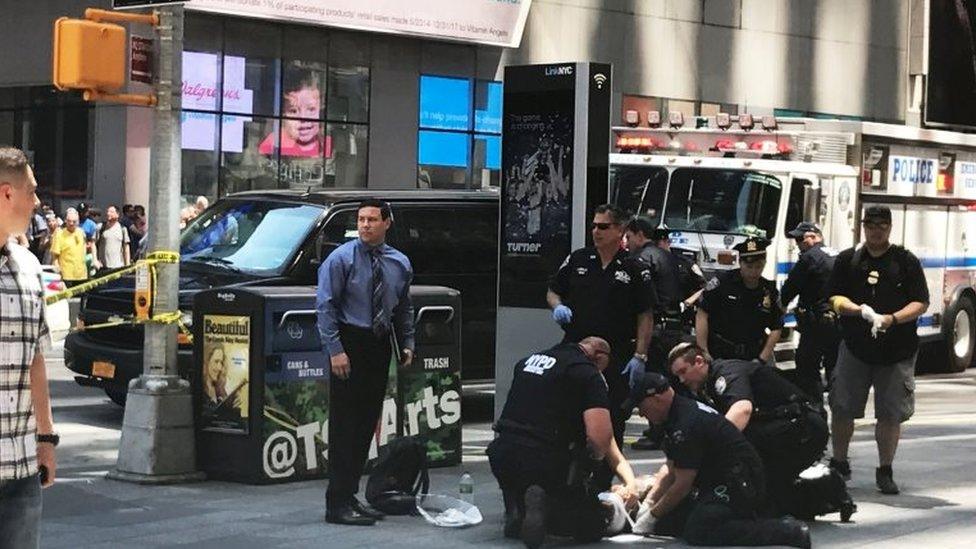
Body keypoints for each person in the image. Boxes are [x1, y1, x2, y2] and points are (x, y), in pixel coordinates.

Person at [668, 343, 854, 520]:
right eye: (678, 375)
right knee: (772, 500)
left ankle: (828, 486)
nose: (682, 380)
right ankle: (828, 491)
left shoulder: (726, 373)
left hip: (803, 428)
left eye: (683, 372)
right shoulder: (705, 386)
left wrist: (709, 451)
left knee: (745, 468)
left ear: (699, 362)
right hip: (784, 430)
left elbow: (742, 410)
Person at [624, 372, 811, 548]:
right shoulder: (676, 415)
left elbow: (682, 484)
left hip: (739, 482)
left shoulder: (686, 423)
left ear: (656, 399)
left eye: (641, 407)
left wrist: (653, 515)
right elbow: (671, 469)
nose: (641, 414)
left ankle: (788, 531)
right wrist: (649, 503)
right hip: (718, 480)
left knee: (699, 530)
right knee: (672, 519)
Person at [316, 199, 415, 526]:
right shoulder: (341, 259)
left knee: (365, 425)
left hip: (378, 343)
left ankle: (350, 494)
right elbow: (326, 307)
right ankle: (336, 502)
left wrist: (407, 342)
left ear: (387, 222)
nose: (365, 225)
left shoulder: (399, 263)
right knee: (345, 425)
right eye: (361, 220)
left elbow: (403, 307)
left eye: (372, 219)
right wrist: (335, 350)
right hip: (350, 340)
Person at [488, 337, 639, 547]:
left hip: (502, 455)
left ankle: (518, 507)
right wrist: (590, 468)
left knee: (525, 475)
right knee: (590, 526)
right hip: (545, 460)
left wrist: (630, 483)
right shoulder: (587, 373)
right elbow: (600, 438)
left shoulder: (527, 362)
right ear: (599, 356)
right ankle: (547, 504)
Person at [825, 205, 928, 495]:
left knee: (890, 413)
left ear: (890, 228)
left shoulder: (905, 262)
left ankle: (885, 470)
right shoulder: (848, 260)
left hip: (897, 350)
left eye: (882, 225)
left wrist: (892, 319)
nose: (876, 230)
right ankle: (840, 463)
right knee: (842, 407)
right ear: (863, 226)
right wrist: (858, 311)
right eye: (871, 224)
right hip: (855, 347)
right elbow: (833, 297)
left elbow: (921, 302)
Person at [547, 204, 655, 448]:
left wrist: (640, 354)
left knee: (612, 414)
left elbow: (645, 314)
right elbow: (553, 291)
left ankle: (606, 474)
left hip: (616, 354)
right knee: (570, 409)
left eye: (603, 226)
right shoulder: (579, 259)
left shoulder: (634, 267)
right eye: (594, 226)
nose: (596, 231)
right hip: (576, 348)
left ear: (620, 230)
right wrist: (557, 308)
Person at [0, 147, 58, 548]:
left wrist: (47, 439)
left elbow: (36, 358)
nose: (37, 202)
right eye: (31, 191)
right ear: (6, 194)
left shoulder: (29, 268)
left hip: (20, 469)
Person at [626, 217, 705, 450]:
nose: (627, 242)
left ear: (640, 234)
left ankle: (657, 432)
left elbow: (641, 299)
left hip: (656, 329)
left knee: (654, 384)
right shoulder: (673, 258)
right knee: (676, 382)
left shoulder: (641, 258)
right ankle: (684, 428)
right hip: (674, 328)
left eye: (629, 237)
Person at [697, 236, 784, 363]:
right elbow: (702, 314)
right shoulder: (722, 283)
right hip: (721, 353)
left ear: (765, 263)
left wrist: (762, 358)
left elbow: (777, 326)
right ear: (740, 263)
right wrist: (703, 351)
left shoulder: (769, 290)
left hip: (754, 355)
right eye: (749, 266)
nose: (754, 271)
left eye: (758, 266)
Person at [780, 221, 840, 404]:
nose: (797, 243)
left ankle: (815, 408)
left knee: (807, 366)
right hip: (838, 321)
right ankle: (840, 406)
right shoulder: (836, 255)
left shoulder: (809, 258)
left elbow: (790, 288)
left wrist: (780, 307)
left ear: (814, 237)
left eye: (800, 239)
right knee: (834, 366)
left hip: (816, 323)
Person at [260, 69, 325, 157]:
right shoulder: (272, 142)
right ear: (283, 114)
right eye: (293, 111)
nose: (303, 118)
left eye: (311, 109)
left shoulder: (327, 144)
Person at [50, 208, 88, 287]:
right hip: (66, 275)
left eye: (74, 221)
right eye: (69, 221)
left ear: (78, 222)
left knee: (82, 298)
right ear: (65, 221)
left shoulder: (81, 232)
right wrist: (57, 271)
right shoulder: (59, 234)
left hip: (81, 275)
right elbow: (54, 256)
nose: (71, 223)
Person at [96, 205, 131, 271]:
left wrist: (127, 264)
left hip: (118, 266)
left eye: (111, 212)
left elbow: (126, 247)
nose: (108, 213)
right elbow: (93, 244)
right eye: (107, 212)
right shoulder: (100, 227)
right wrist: (95, 260)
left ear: (117, 214)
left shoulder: (122, 229)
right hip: (103, 267)